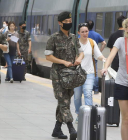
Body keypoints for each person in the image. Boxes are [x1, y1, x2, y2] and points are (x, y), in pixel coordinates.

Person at [45, 11, 84, 139]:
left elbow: (81, 52)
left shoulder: (73, 37)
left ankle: (57, 129)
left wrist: (79, 59)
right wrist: (63, 62)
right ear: (60, 23)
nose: (69, 23)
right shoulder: (54, 38)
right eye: (66, 22)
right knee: (63, 101)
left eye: (70, 21)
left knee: (65, 101)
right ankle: (71, 128)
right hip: (58, 75)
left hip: (70, 76)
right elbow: (48, 56)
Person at [101, 17, 128, 140]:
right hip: (122, 83)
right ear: (126, 29)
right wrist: (105, 67)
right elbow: (111, 56)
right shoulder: (120, 41)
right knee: (126, 119)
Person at [74, 23, 105, 123]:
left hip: (89, 72)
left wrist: (104, 59)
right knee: (77, 96)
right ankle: (79, 114)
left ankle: (89, 116)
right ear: (78, 33)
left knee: (88, 93)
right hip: (77, 73)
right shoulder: (75, 43)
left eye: (86, 31)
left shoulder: (92, 42)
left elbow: (98, 55)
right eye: (82, 32)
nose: (85, 33)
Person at [86, 20, 106, 94]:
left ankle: (88, 87)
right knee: (95, 72)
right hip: (94, 56)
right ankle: (96, 89)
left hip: (85, 57)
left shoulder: (84, 34)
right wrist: (99, 52)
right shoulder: (96, 34)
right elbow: (104, 43)